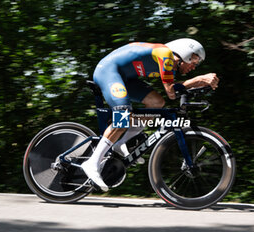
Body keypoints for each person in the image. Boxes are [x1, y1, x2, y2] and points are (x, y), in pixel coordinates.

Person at [81, 38, 219, 191]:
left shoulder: (170, 65)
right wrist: (199, 79)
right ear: (185, 54)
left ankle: (122, 143)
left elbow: (171, 95)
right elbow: (171, 91)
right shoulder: (166, 55)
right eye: (194, 61)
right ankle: (92, 163)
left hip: (125, 78)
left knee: (156, 103)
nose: (194, 67)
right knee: (123, 114)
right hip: (108, 71)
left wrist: (199, 83)